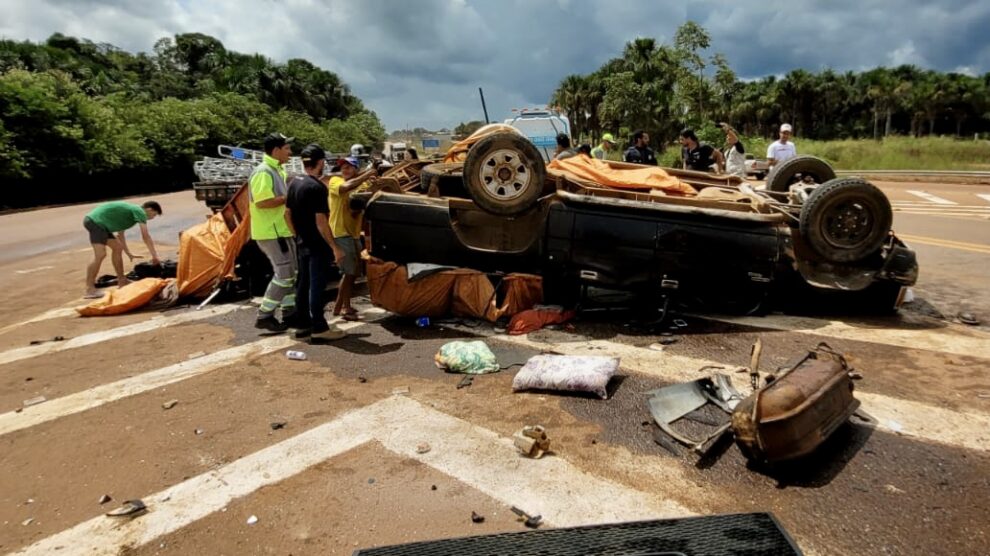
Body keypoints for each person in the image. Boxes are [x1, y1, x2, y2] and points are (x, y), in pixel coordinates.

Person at [285, 144, 347, 342]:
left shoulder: (294, 183)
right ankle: (319, 327)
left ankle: (303, 325)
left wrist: (298, 235)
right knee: (317, 286)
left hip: (302, 242)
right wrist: (334, 247)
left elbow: (287, 215)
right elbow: (321, 222)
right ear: (320, 163)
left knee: (302, 284)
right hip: (317, 245)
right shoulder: (317, 187)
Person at [249, 132, 298, 332]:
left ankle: (289, 312)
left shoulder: (277, 170)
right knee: (284, 275)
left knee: (291, 273)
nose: (290, 152)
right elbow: (262, 202)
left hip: (280, 230)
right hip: (272, 232)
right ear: (276, 150)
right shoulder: (264, 171)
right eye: (287, 148)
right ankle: (264, 315)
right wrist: (289, 197)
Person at [327, 156, 382, 321]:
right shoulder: (335, 181)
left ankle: (340, 306)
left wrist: (373, 174)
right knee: (349, 272)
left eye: (349, 167)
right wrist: (369, 173)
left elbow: (370, 191)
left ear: (356, 169)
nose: (345, 169)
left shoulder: (361, 184)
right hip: (340, 232)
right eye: (343, 166)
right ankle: (344, 307)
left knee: (354, 273)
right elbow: (347, 187)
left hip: (354, 234)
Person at [83, 201, 162, 298]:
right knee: (100, 254)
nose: (152, 218)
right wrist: (155, 256)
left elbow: (121, 235)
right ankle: (89, 289)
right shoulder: (139, 211)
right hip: (95, 222)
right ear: (149, 209)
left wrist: (128, 253)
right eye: (154, 215)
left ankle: (122, 281)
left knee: (118, 248)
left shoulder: (131, 214)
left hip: (99, 223)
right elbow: (145, 236)